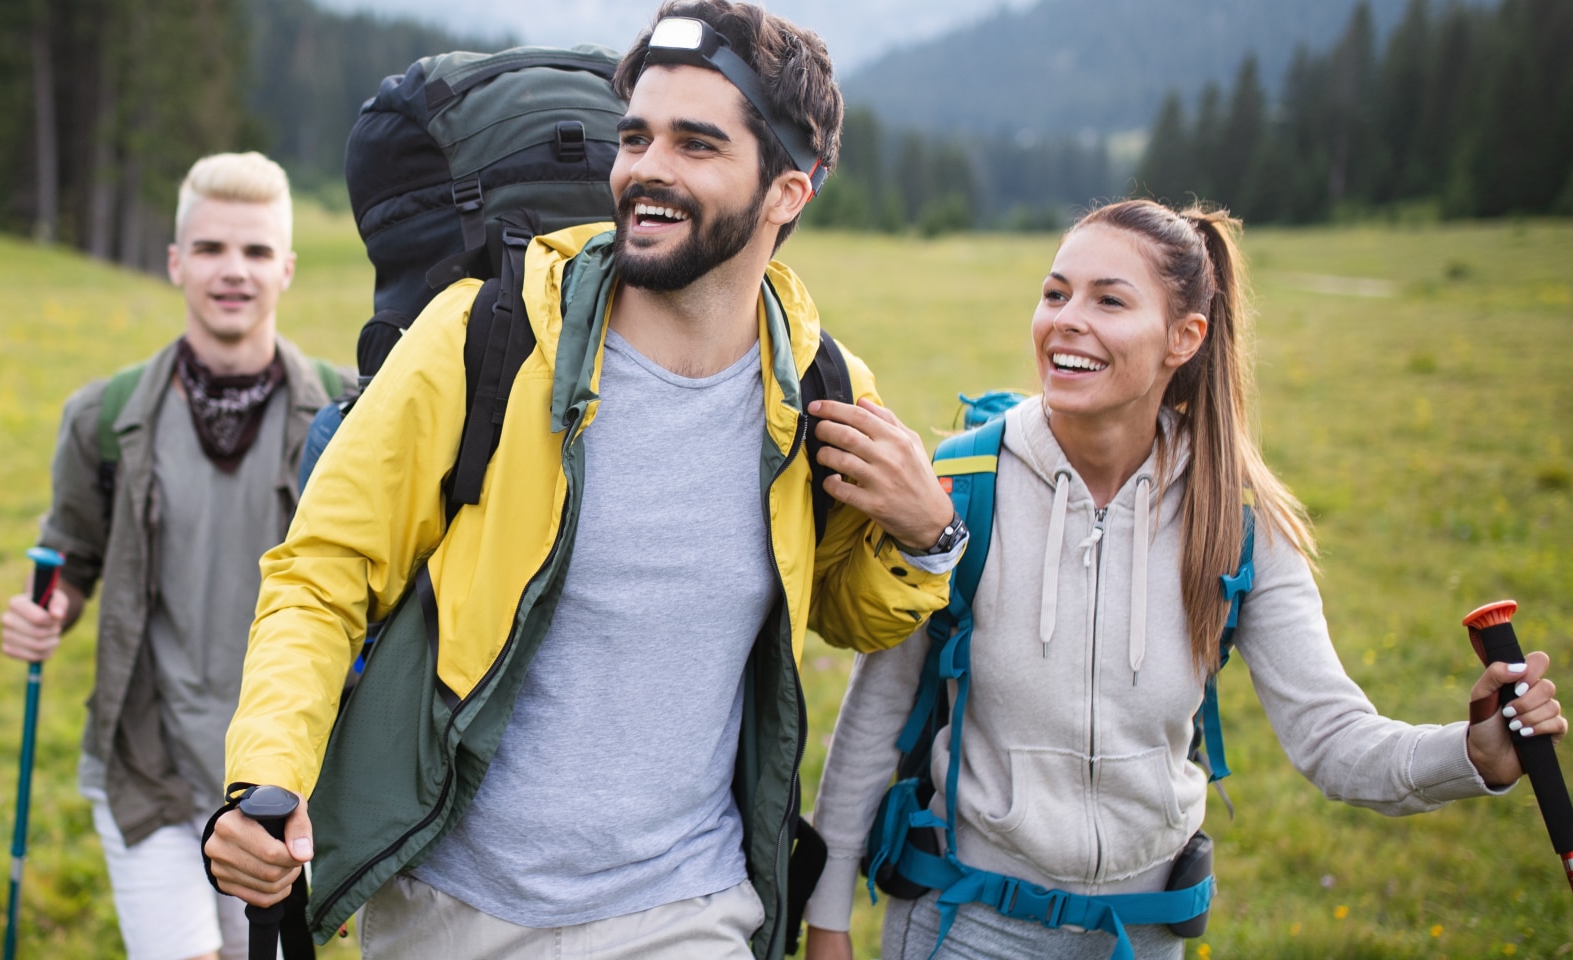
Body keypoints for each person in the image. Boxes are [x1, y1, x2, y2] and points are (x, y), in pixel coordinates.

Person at [203, 4, 966, 959]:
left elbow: (851, 616)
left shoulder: (819, 390)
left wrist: (925, 534)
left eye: (697, 144)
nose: (647, 168)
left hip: (690, 906)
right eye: (636, 135)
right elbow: (322, 575)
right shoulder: (485, 338)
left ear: (787, 191)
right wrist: (267, 776)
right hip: (453, 910)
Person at [800, 199, 1566, 960]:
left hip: (1147, 933)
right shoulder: (958, 488)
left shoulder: (1235, 522)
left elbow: (1334, 741)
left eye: (1109, 300)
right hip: (963, 929)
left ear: (1184, 337)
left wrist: (1472, 755)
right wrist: (827, 921)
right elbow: (875, 718)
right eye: (1055, 292)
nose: (1066, 318)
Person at [0, 151, 346, 960]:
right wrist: (47, 607)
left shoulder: (343, 416)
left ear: (287, 268)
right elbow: (70, 555)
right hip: (147, 762)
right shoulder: (103, 416)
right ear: (176, 262)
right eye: (213, 249)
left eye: (257, 251)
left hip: (278, 769)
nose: (235, 271)